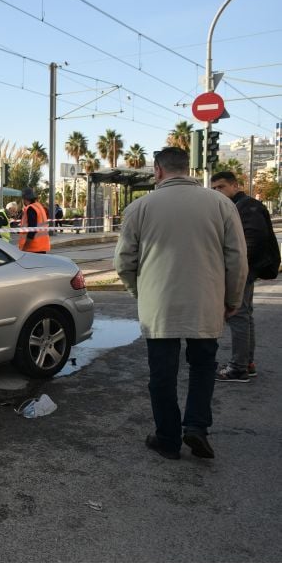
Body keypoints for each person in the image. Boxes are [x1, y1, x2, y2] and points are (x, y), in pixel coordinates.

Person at [115, 147, 247, 460]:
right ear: (187, 169)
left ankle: (168, 439)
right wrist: (232, 299)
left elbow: (123, 262)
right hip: (206, 303)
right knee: (203, 367)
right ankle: (196, 428)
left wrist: (140, 293)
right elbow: (238, 259)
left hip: (160, 306)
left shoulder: (140, 207)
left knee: (162, 375)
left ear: (158, 171)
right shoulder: (221, 204)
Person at [210, 171, 274, 382]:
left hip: (244, 269)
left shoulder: (246, 207)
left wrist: (236, 268)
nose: (217, 192)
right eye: (214, 188)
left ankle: (238, 368)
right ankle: (247, 363)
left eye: (221, 187)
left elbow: (251, 240)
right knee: (245, 316)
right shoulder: (237, 206)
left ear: (235, 186)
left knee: (238, 315)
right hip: (247, 268)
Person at [18, 188, 50, 253]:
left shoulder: (31, 209)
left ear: (24, 199)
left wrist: (26, 246)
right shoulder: (39, 207)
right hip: (42, 246)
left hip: (32, 247)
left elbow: (32, 229)